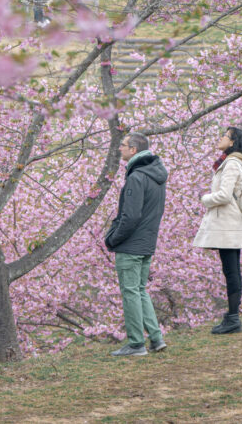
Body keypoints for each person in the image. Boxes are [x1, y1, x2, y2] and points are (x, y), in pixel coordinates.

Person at [104, 132, 169, 356]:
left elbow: (130, 216)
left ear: (133, 150)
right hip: (147, 242)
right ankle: (156, 338)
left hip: (131, 245)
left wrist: (113, 238)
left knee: (130, 292)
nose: (119, 149)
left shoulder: (136, 177)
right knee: (140, 290)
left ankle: (135, 344)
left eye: (122, 146)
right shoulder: (155, 175)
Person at [192, 126, 242, 334]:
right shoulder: (239, 163)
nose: (220, 138)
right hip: (232, 222)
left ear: (233, 142)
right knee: (232, 269)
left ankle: (233, 318)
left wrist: (205, 199)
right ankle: (232, 316)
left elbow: (224, 196)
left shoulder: (232, 164)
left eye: (224, 136)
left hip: (227, 224)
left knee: (231, 270)